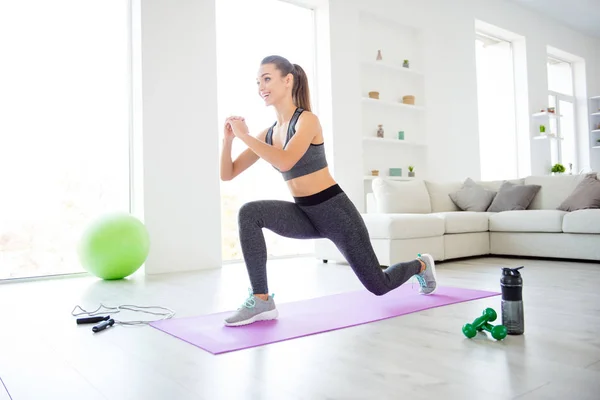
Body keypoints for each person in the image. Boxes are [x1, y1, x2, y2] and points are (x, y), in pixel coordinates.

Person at [219, 55, 437, 327]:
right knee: (250, 213)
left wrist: (243, 135)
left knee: (379, 285)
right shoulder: (268, 133)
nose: (261, 86)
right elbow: (227, 174)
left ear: (288, 81)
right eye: (257, 81)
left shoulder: (307, 121)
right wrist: (228, 140)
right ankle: (261, 300)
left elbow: (286, 160)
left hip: (336, 213)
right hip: (304, 212)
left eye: (267, 79)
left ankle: (421, 265)